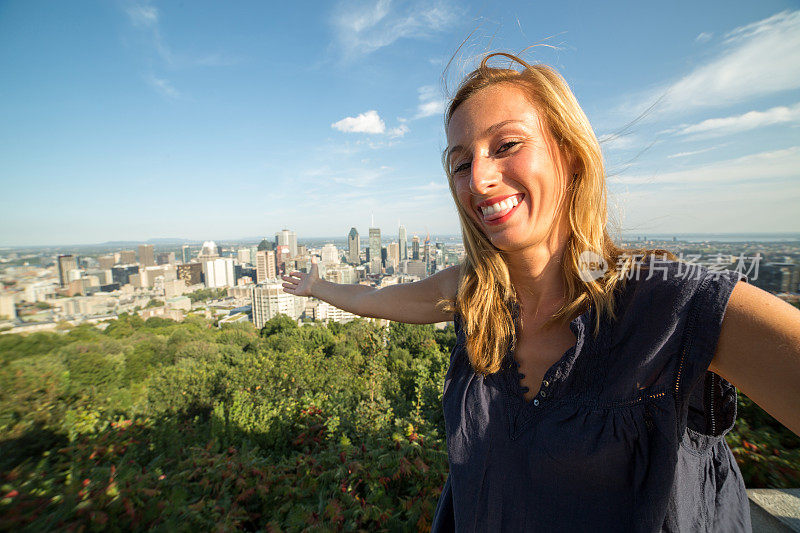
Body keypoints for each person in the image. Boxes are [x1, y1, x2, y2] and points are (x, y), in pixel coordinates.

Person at [282, 52, 800, 532]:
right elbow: (389, 300)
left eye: (506, 145)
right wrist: (316, 286)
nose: (479, 178)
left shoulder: (670, 303)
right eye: (461, 163)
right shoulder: (477, 294)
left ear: (570, 156)